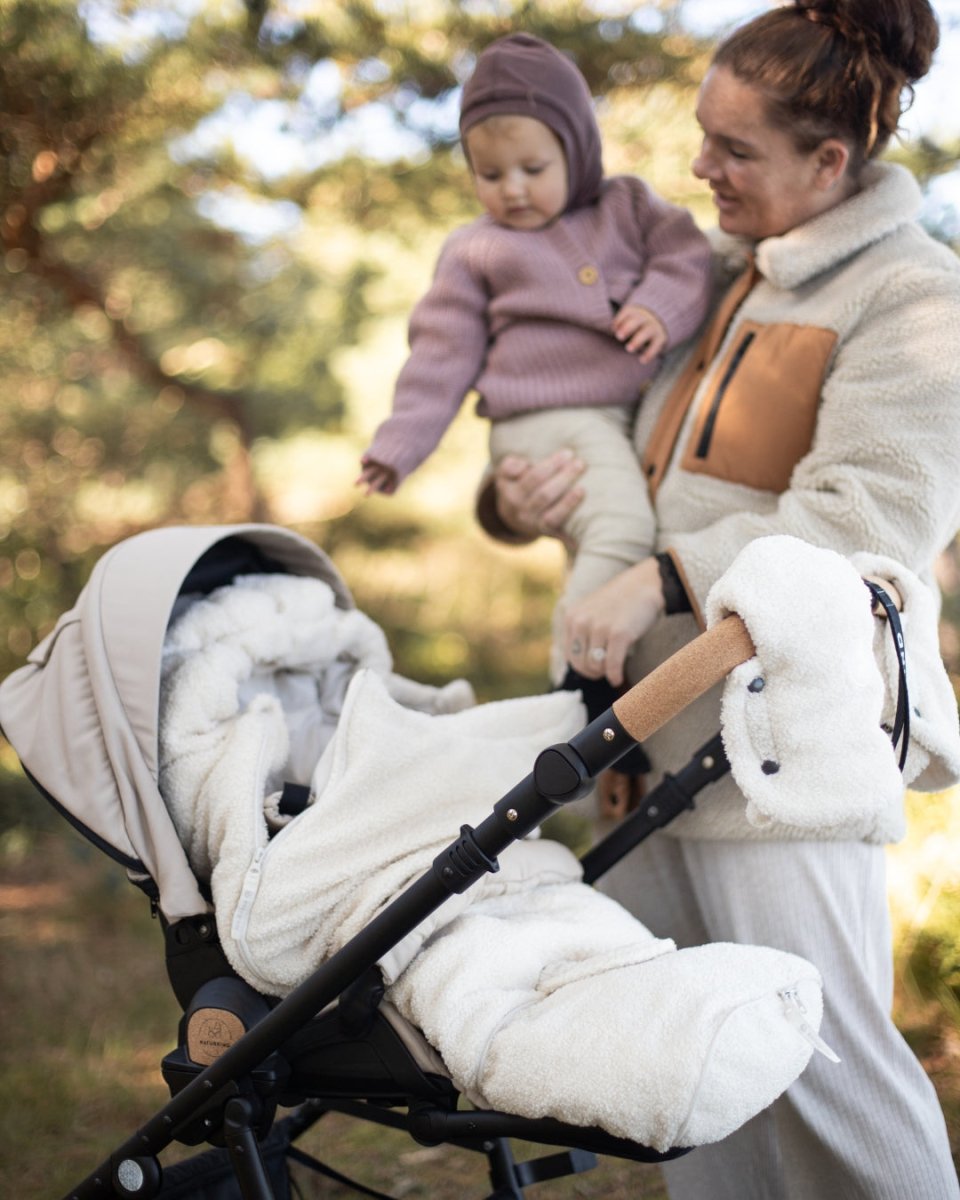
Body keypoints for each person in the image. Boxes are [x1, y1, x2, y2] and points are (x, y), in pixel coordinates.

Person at [480, 1, 960, 1197]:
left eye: (733, 149)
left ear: (829, 162)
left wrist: (667, 574)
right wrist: (529, 499)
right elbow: (617, 453)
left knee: (836, 1080)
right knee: (695, 1089)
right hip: (642, 748)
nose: (698, 167)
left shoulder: (912, 297)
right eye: (703, 136)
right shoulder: (715, 280)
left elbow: (871, 520)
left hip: (774, 765)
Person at [359, 32, 712, 689]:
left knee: (618, 527)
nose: (513, 190)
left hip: (609, 416)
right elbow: (441, 352)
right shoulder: (475, 249)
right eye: (489, 175)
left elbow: (687, 258)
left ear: (576, 153)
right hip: (543, 418)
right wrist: (399, 443)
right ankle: (572, 684)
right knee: (622, 527)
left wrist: (659, 307)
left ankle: (605, 685)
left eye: (532, 168)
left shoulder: (629, 205)